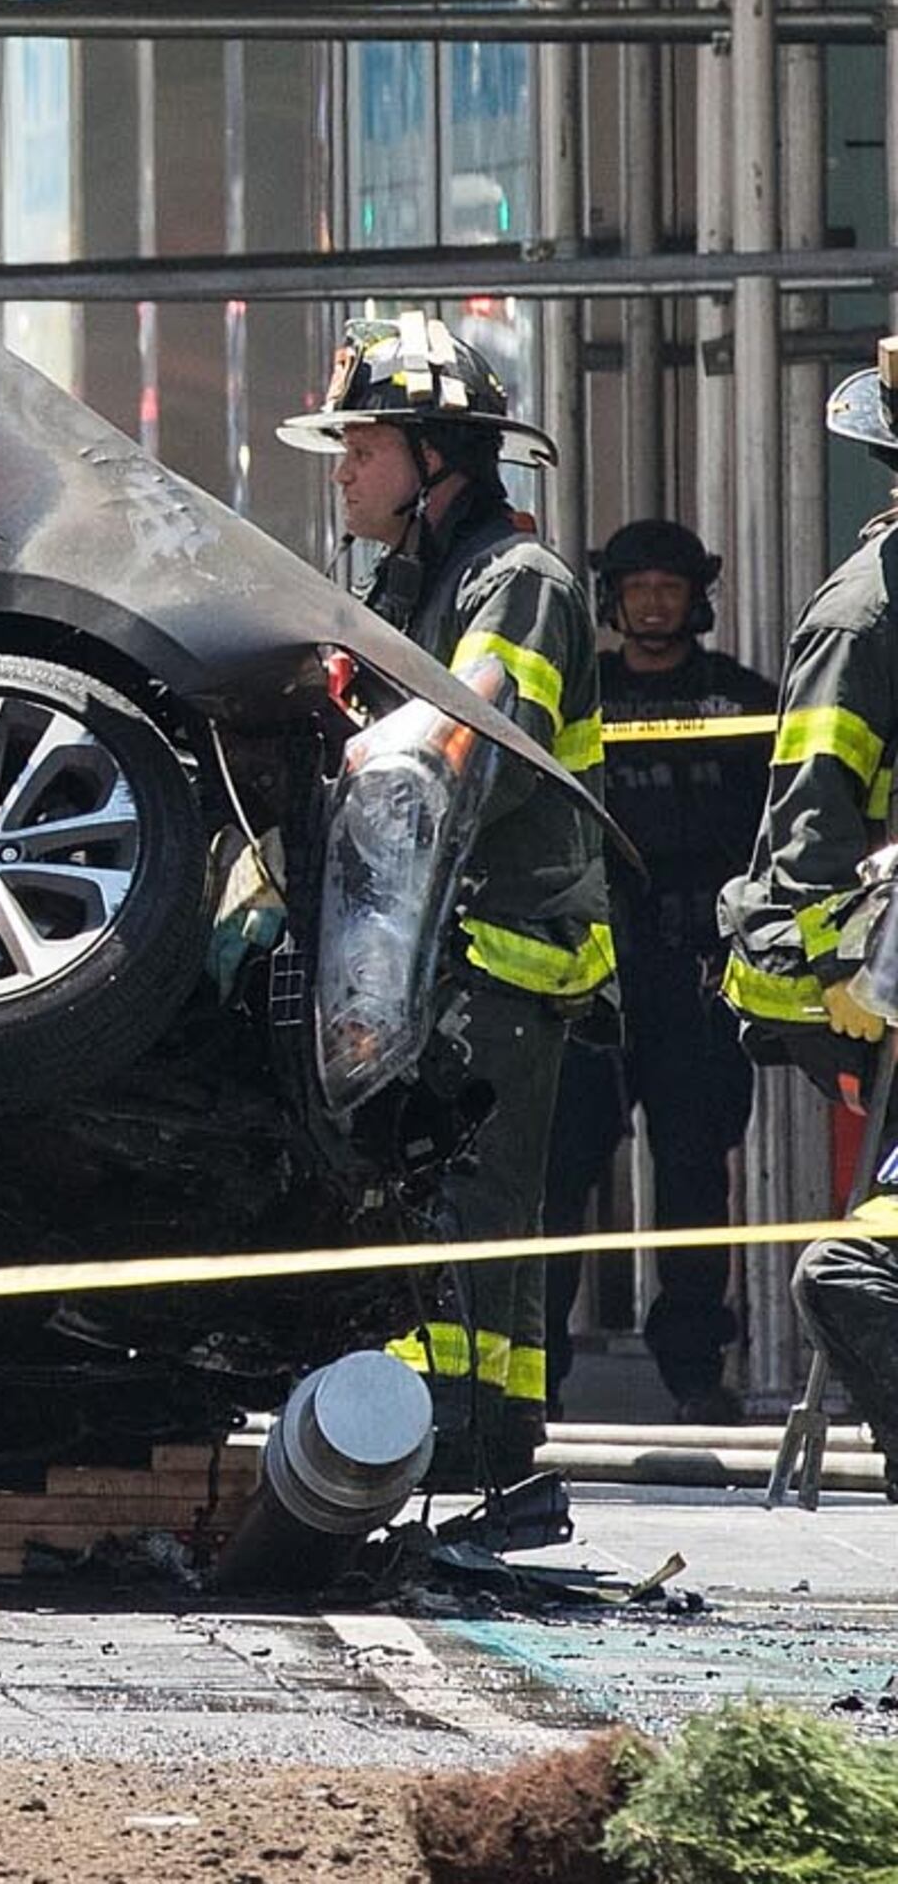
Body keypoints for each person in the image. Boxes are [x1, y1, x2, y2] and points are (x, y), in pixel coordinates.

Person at [277, 309, 612, 1493]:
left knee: (469, 1205)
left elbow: (467, 751)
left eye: (361, 451)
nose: (345, 476)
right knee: (449, 1204)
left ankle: (470, 1434)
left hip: (500, 949)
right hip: (437, 946)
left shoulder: (516, 584)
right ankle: (473, 1433)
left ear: (435, 461)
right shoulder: (421, 581)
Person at [543, 518, 776, 1423]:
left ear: (696, 598)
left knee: (693, 1179)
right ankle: (540, 1370)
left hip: (696, 977)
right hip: (593, 975)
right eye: (636, 586)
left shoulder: (741, 701)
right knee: (561, 1175)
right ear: (612, 599)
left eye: (667, 587)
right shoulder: (581, 696)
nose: (651, 602)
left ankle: (692, 1372)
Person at [727, 337, 898, 1448]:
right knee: (858, 1271)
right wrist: (838, 974)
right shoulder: (867, 617)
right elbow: (815, 816)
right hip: (879, 981)